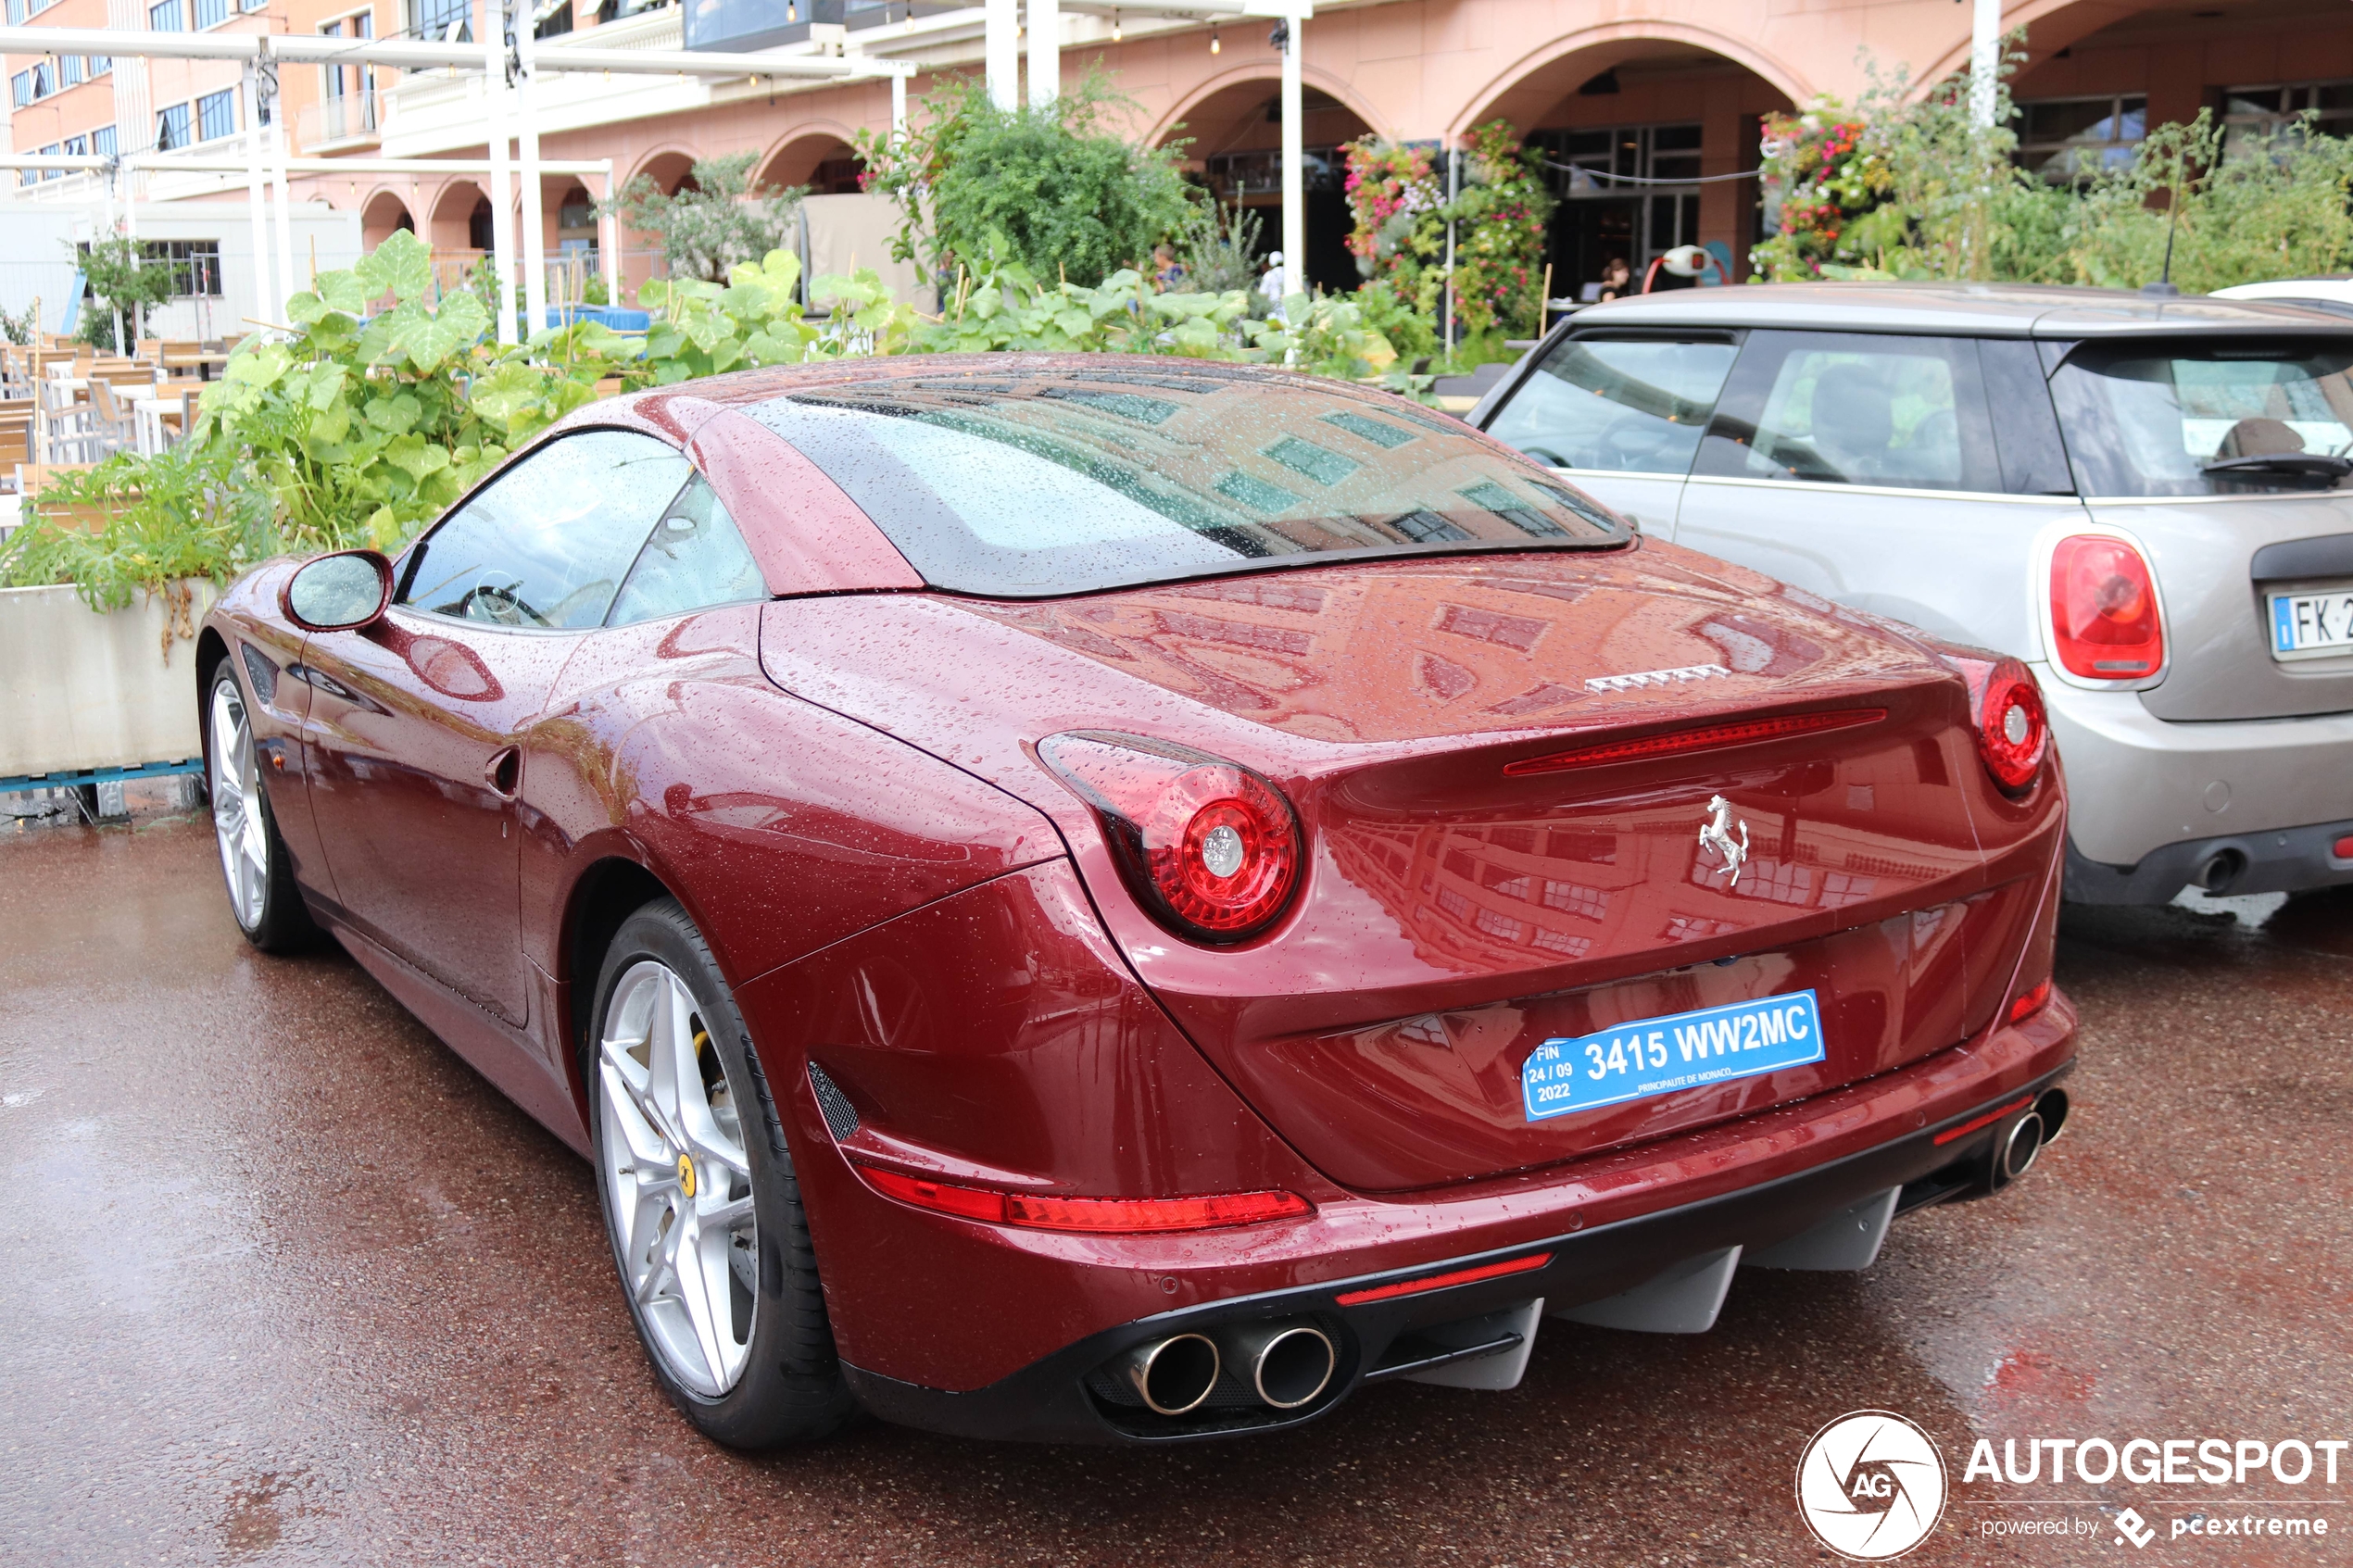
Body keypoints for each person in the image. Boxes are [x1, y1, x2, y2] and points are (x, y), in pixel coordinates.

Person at [1258, 249, 1290, 314]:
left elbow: (1262, 292)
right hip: (1288, 306)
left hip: (1273, 308)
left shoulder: (1268, 275)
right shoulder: (1290, 273)